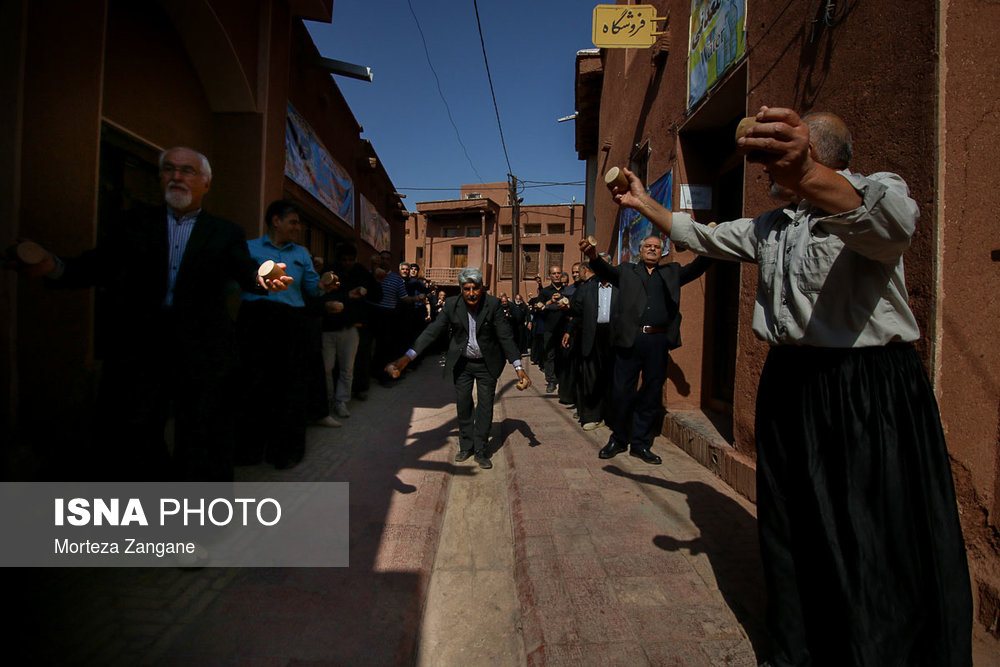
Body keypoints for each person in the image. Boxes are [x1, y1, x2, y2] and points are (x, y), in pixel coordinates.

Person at [611, 106, 972, 666]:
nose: (762, 172)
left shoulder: (878, 191)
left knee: (866, 529)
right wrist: (643, 204)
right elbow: (702, 236)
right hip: (791, 386)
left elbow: (891, 227)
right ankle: (800, 647)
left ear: (815, 151)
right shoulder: (773, 224)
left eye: (773, 158)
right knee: (793, 522)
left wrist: (804, 172)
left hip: (863, 389)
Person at [8, 146, 289, 481]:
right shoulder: (133, 223)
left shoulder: (225, 232)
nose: (176, 177)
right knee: (135, 434)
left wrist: (265, 279)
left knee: (201, 436)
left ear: (206, 184)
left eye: (187, 171)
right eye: (168, 169)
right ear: (160, 178)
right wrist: (55, 267)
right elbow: (98, 265)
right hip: (141, 348)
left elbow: (247, 273)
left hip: (202, 350)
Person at [580, 234, 710, 464]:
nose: (652, 249)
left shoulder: (671, 272)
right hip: (629, 340)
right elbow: (605, 271)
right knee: (621, 393)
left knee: (651, 394)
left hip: (657, 342)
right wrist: (592, 256)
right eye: (648, 246)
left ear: (663, 252)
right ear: (640, 251)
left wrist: (711, 246)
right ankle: (619, 439)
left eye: (656, 247)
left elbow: (696, 269)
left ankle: (640, 443)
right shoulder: (627, 271)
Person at [386, 267, 530, 469]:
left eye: (475, 288)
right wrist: (407, 357)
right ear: (461, 289)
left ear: (482, 288)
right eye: (466, 289)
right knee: (463, 405)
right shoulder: (452, 305)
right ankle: (466, 446)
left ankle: (480, 449)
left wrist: (518, 367)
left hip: (487, 364)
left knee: (485, 406)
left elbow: (505, 336)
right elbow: (432, 331)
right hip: (462, 363)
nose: (471, 294)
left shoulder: (493, 305)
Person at [236, 200, 338, 470]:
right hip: (256, 321)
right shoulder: (249, 248)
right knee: (253, 386)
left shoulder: (302, 253)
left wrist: (323, 286)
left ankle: (285, 452)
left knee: (290, 387)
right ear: (275, 221)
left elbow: (310, 290)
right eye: (292, 222)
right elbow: (238, 282)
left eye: (298, 222)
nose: (297, 227)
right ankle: (249, 450)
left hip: (292, 323)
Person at [319, 242, 382, 419]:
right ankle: (328, 401)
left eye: (350, 260)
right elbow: (322, 295)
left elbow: (377, 296)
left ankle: (341, 401)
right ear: (339, 260)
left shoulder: (361, 272)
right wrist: (347, 295)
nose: (347, 263)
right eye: (344, 260)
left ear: (355, 259)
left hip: (351, 327)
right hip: (329, 327)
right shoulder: (330, 272)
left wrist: (375, 279)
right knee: (327, 368)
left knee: (347, 368)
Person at [564, 262, 617, 430]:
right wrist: (569, 326)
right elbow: (576, 311)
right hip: (592, 336)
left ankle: (612, 416)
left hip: (615, 337)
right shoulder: (587, 289)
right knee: (591, 377)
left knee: (614, 377)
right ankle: (592, 416)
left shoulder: (620, 287)